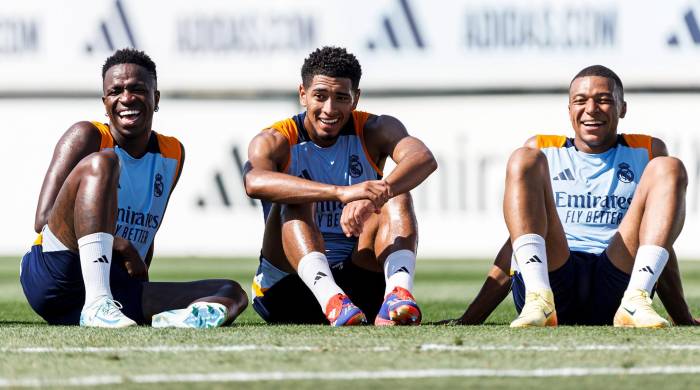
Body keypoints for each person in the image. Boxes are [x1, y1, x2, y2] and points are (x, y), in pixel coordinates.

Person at [447, 65, 698, 327]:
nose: (591, 109)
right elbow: (517, 240)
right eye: (581, 101)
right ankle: (538, 299)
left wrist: (683, 318)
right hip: (552, 279)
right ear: (569, 110)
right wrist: (470, 318)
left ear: (622, 108)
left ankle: (637, 299)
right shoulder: (543, 150)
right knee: (523, 157)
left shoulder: (647, 150)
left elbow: (658, 240)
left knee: (669, 166)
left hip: (618, 284)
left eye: (603, 100)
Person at [20, 48, 248, 328]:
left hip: (115, 285)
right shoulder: (87, 135)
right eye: (115, 91)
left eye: (137, 89)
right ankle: (96, 305)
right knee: (103, 163)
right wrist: (122, 246)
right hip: (56, 273)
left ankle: (181, 320)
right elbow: (42, 220)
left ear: (156, 98)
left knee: (231, 292)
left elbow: (146, 231)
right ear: (105, 103)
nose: (126, 98)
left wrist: (139, 276)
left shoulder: (172, 153)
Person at [244, 46, 437, 326]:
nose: (330, 109)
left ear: (355, 99)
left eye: (341, 98)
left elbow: (423, 158)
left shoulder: (375, 129)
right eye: (320, 97)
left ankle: (398, 293)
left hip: (357, 290)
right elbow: (253, 181)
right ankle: (330, 298)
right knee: (297, 195)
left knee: (397, 193)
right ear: (303, 94)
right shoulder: (276, 138)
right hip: (287, 290)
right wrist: (342, 193)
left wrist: (373, 197)